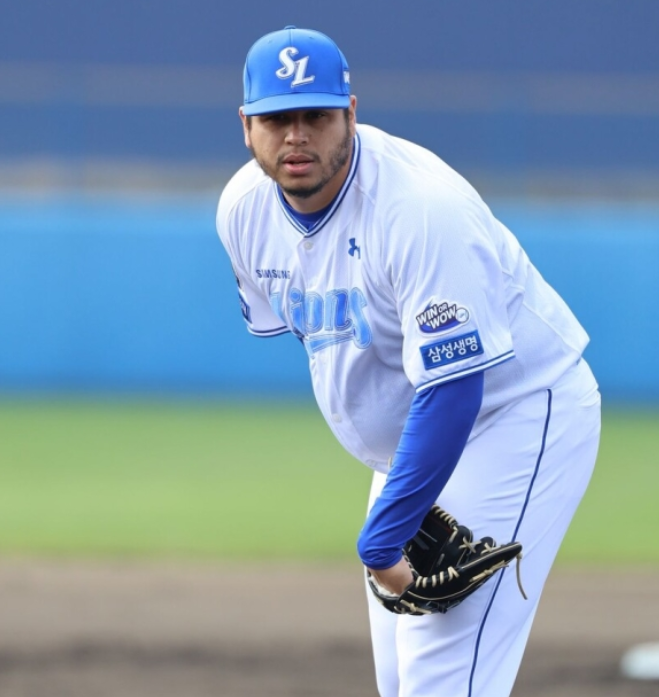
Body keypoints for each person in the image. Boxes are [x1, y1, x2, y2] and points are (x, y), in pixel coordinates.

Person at [216, 25, 601, 697]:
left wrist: (384, 536)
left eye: (316, 116)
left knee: (441, 678)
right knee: (400, 681)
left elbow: (455, 387)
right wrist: (406, 497)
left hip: (513, 412)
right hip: (416, 440)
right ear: (246, 126)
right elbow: (327, 338)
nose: (297, 136)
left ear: (351, 113)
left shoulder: (420, 209)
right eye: (277, 119)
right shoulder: (243, 212)